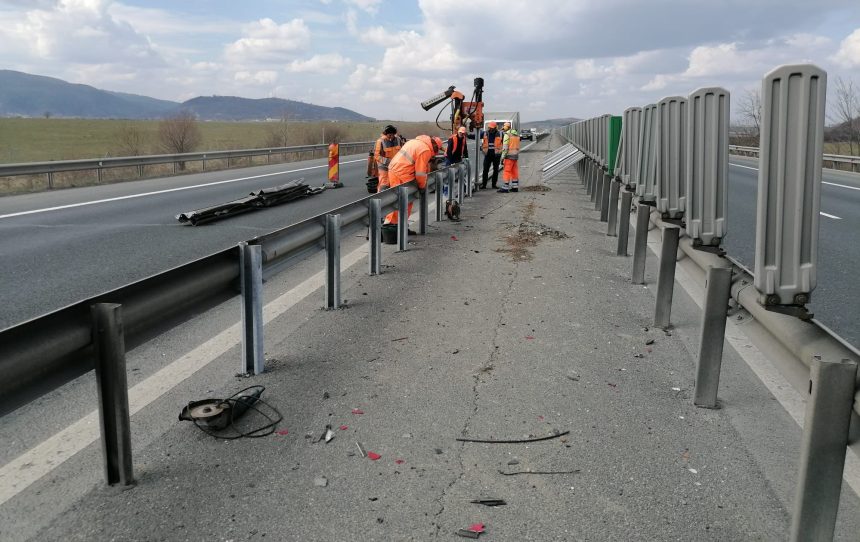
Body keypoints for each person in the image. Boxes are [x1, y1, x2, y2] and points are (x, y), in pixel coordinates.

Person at [383, 135, 442, 234]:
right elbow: (420, 172)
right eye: (437, 149)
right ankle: (392, 230)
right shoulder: (425, 150)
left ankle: (401, 227)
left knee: (404, 202)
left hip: (396, 170)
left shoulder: (416, 142)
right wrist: (422, 186)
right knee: (401, 202)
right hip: (401, 173)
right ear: (435, 146)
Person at [374, 125, 403, 191]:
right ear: (385, 134)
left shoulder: (398, 140)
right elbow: (376, 156)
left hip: (396, 166)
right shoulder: (380, 141)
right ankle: (382, 197)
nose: (391, 136)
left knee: (396, 183)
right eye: (389, 135)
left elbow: (402, 151)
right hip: (384, 166)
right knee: (384, 184)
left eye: (392, 135)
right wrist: (388, 161)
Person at [498, 121, 520, 193]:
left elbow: (505, 148)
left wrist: (502, 158)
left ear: (507, 127)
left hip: (509, 156)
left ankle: (505, 188)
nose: (503, 127)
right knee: (514, 171)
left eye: (504, 126)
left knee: (507, 171)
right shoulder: (516, 135)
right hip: (515, 156)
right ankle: (515, 187)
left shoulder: (507, 135)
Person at [481, 121, 502, 189]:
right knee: (485, 170)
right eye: (489, 127)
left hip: (496, 155)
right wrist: (467, 135)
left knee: (496, 170)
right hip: (487, 155)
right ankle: (484, 185)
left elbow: (505, 142)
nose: (490, 129)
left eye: (491, 128)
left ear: (495, 128)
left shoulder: (500, 134)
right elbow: (476, 135)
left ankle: (494, 185)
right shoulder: (485, 133)